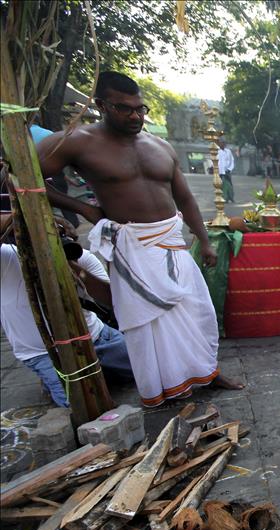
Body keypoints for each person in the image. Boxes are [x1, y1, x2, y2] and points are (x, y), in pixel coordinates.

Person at [36, 71, 242, 407]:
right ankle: (162, 389)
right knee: (147, 324)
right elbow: (23, 174)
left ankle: (208, 372)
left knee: (195, 312)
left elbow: (186, 198)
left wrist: (203, 241)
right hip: (133, 248)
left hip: (172, 244)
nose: (135, 116)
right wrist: (82, 209)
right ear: (101, 105)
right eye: (124, 109)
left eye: (140, 109)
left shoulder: (159, 146)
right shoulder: (78, 141)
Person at [0, 213, 133, 407]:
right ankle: (59, 378)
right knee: (82, 406)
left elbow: (112, 300)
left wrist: (72, 267)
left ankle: (101, 372)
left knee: (152, 371)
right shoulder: (7, 257)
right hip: (45, 354)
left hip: (98, 338)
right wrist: (15, 217)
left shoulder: (79, 256)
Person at [217, 138, 235, 203]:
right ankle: (224, 198)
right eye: (221, 143)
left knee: (229, 185)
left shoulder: (228, 151)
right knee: (222, 185)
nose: (223, 144)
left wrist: (230, 169)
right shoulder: (217, 151)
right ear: (219, 144)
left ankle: (231, 197)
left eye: (224, 143)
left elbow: (231, 160)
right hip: (220, 172)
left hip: (227, 171)